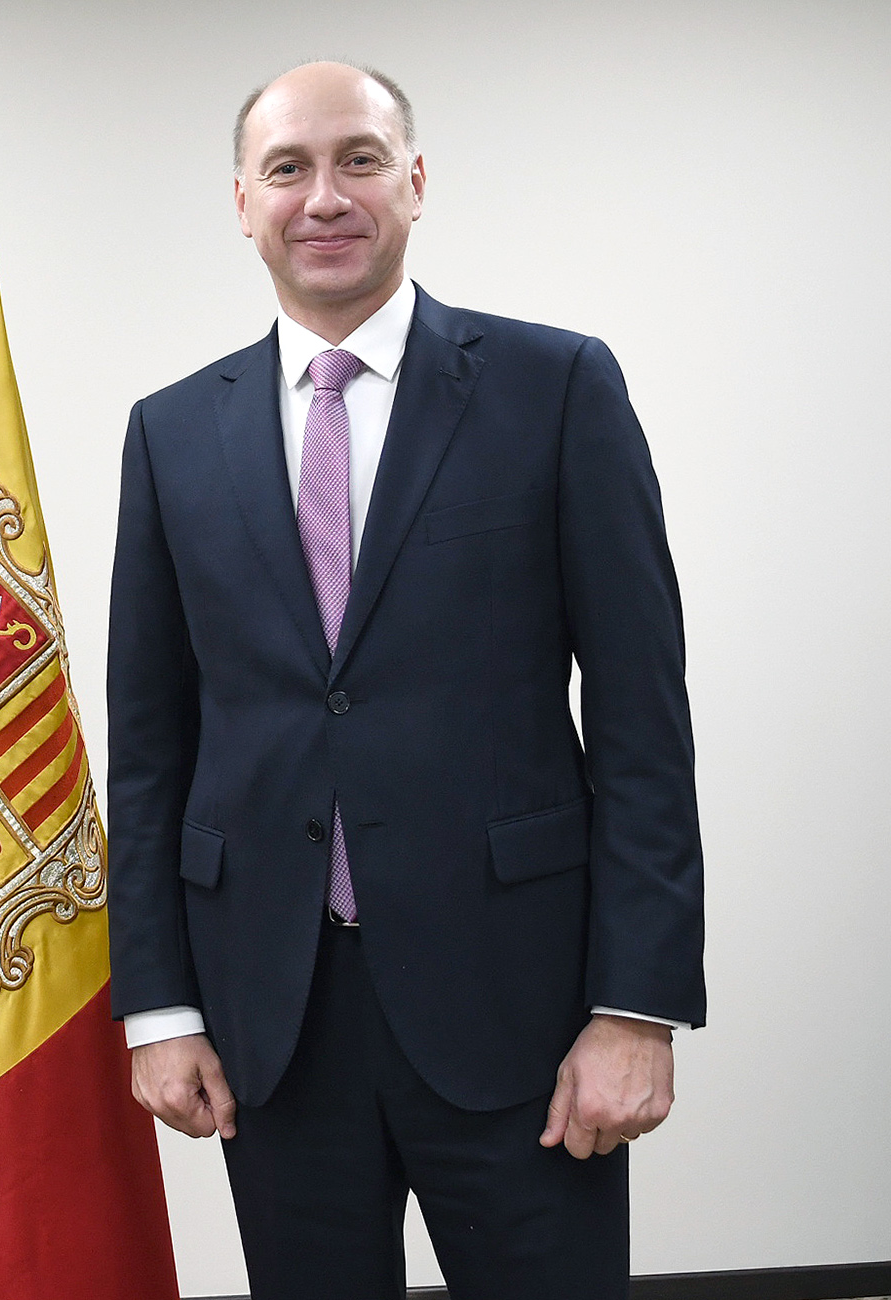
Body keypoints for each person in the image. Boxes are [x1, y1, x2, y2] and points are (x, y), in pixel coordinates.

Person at [107, 62, 704, 1297]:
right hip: (272, 1017)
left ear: (414, 182)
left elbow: (644, 725)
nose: (323, 197)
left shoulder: (555, 389)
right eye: (287, 169)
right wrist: (157, 1006)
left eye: (358, 160)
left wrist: (634, 1006)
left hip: (521, 1012)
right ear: (240, 202)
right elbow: (151, 743)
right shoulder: (170, 432)